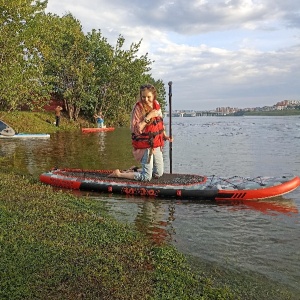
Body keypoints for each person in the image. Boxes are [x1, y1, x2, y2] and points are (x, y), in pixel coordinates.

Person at [109, 84, 173, 181]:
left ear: (154, 96)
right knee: (146, 177)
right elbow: (136, 129)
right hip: (145, 146)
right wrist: (149, 116)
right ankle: (119, 174)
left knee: (158, 173)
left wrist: (165, 136)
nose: (146, 99)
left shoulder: (156, 105)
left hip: (156, 144)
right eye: (143, 97)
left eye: (149, 97)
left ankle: (134, 170)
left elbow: (160, 123)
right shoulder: (138, 108)